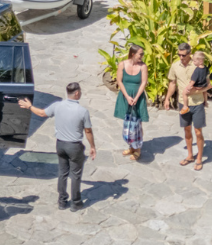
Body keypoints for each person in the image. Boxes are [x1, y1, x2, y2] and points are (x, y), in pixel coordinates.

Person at [19, 82, 96, 211]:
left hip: (60, 145)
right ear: (77, 93)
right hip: (74, 146)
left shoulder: (57, 105)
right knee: (76, 175)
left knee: (62, 173)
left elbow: (42, 113)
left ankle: (62, 201)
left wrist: (29, 106)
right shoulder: (83, 111)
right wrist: (92, 146)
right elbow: (88, 131)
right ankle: (76, 202)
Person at [164, 44, 212, 171]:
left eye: (183, 55)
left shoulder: (198, 66)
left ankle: (199, 158)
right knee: (186, 130)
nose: (181, 57)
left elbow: (208, 85)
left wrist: (201, 95)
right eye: (179, 55)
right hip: (183, 103)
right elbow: (172, 83)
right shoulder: (175, 66)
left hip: (197, 103)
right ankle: (190, 155)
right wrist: (167, 98)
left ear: (189, 54)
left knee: (198, 131)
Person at [113, 44, 149, 161]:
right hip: (126, 96)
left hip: (137, 96)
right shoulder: (122, 64)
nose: (142, 56)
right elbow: (119, 81)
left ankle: (137, 148)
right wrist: (127, 96)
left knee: (137, 123)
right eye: (140, 54)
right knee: (128, 121)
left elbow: (143, 83)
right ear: (133, 54)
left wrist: (137, 97)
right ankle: (131, 146)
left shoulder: (143, 66)